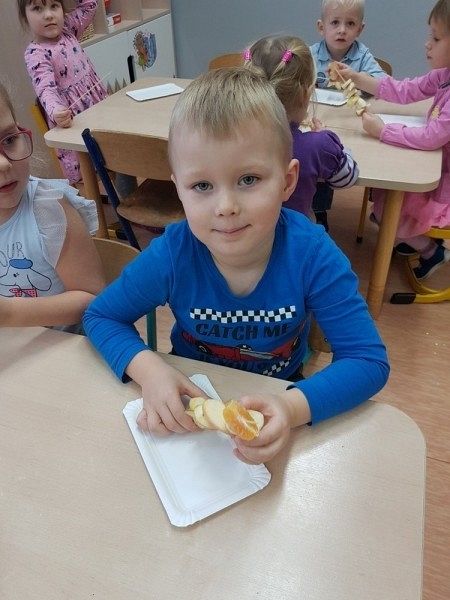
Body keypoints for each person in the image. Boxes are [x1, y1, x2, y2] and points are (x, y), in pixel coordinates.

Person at [83, 68, 389, 465]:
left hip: (279, 394)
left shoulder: (313, 255)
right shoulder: (173, 255)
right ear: (179, 189)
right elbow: (101, 316)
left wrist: (291, 408)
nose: (225, 206)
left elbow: (367, 361)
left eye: (248, 179)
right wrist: (150, 371)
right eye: (202, 186)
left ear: (287, 181)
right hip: (190, 396)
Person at [333, 0, 450, 279]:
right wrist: (357, 78)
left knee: (388, 210)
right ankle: (410, 238)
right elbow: (404, 90)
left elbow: (432, 137)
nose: (427, 44)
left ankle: (431, 251)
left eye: (436, 38)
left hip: (442, 180)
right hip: (434, 165)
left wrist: (383, 131)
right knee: (384, 197)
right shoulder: (443, 76)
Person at [0, 81, 104, 328]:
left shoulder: (48, 209)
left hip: (65, 344)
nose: (4, 164)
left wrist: (9, 314)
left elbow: (93, 299)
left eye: (9, 139)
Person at [243, 35, 359, 219]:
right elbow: (348, 178)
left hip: (243, 230)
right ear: (307, 94)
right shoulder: (319, 144)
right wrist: (334, 145)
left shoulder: (229, 140)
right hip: (295, 233)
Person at [310, 0, 386, 230]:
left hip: (351, 124)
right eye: (335, 22)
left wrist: (358, 78)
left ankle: (377, 203)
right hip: (319, 121)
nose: (342, 30)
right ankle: (318, 209)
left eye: (350, 24)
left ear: (360, 29)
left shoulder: (362, 56)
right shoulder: (311, 54)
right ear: (321, 27)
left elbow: (384, 84)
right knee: (318, 156)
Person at [19, 0, 108, 184]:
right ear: (25, 17)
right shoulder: (36, 53)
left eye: (54, 6)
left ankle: (125, 193)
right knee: (94, 171)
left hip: (100, 112)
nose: (48, 15)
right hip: (75, 124)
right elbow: (45, 89)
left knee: (115, 153)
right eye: (37, 9)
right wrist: (56, 110)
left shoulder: (68, 28)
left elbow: (90, 5)